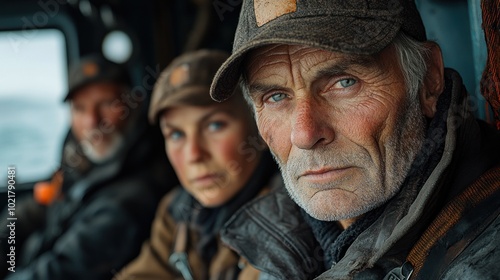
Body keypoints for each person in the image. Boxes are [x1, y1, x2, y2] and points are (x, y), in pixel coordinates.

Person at [209, 0, 500, 279]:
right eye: (276, 97)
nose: (305, 135)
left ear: (428, 78)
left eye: (344, 82)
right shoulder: (272, 244)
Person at [0, 54, 177, 280]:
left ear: (134, 105)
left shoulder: (132, 196)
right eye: (80, 109)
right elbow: (39, 206)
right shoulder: (79, 159)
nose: (92, 121)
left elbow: (61, 271)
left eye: (106, 104)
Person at [115, 49, 279, 280]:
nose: (194, 154)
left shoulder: (283, 224)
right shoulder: (178, 212)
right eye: (176, 135)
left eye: (214, 126)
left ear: (260, 128)